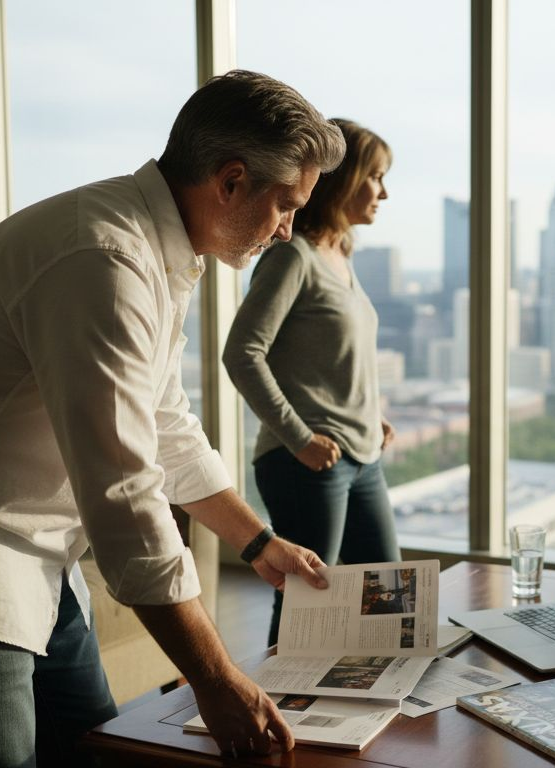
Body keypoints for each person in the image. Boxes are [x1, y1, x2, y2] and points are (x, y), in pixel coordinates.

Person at [0, 70, 345, 767]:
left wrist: (257, 542)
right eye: (286, 206)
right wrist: (216, 680)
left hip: (34, 552)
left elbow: (163, 421)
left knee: (99, 752)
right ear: (232, 181)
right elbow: (125, 492)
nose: (288, 231)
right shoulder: (105, 259)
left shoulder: (162, 250)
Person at [222, 119, 400, 645]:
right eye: (376, 177)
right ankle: (281, 713)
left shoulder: (340, 256)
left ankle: (380, 708)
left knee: (386, 598)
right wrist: (300, 439)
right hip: (307, 463)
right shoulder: (292, 255)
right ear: (343, 181)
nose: (384, 193)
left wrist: (371, 416)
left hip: (361, 457)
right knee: (306, 600)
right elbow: (242, 352)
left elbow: (327, 358)